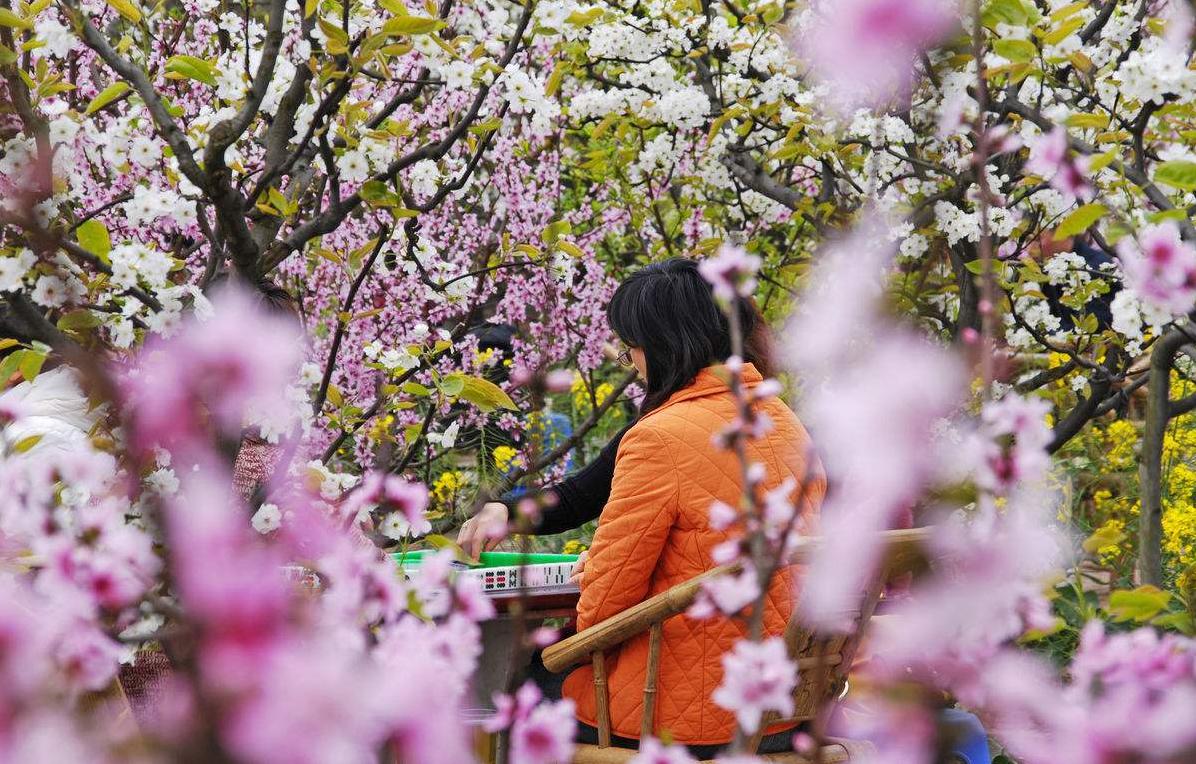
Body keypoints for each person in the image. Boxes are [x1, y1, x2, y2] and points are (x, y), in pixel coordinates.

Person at [501, 258, 825, 756]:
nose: (631, 360)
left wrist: (595, 573)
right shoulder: (786, 422)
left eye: (632, 344)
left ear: (665, 342)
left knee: (518, 689)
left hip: (685, 715)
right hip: (783, 705)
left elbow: (602, 609)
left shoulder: (660, 437)